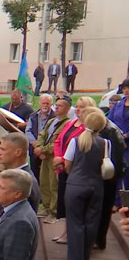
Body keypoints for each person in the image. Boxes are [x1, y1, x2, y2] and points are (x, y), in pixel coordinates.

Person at [59, 112, 107, 260]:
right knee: (91, 223)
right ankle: (84, 259)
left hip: (76, 184)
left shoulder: (75, 141)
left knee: (75, 223)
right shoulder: (105, 143)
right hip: (96, 185)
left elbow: (67, 165)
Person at [50, 100, 98, 241]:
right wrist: (58, 157)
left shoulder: (88, 129)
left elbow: (81, 150)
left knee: (73, 205)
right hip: (63, 167)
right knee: (65, 202)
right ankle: (65, 231)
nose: (77, 109)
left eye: (81, 107)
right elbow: (58, 140)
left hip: (74, 169)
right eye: (76, 106)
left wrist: (64, 161)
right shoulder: (70, 123)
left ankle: (71, 234)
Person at [34, 95, 71, 218]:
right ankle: (46, 206)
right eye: (56, 105)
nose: (56, 108)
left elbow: (57, 142)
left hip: (54, 157)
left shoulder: (67, 124)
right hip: (44, 157)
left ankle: (54, 210)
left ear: (67, 108)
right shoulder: (52, 121)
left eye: (60, 106)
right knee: (44, 182)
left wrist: (43, 150)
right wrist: (38, 147)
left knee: (53, 184)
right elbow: (42, 134)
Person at [97, 118, 127, 249]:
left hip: (110, 176)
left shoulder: (110, 132)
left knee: (104, 209)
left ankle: (100, 239)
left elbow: (116, 158)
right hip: (107, 176)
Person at [108, 78, 129, 207]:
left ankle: (126, 202)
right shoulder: (118, 105)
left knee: (127, 172)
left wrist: (127, 135)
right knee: (116, 171)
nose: (127, 91)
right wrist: (116, 134)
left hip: (128, 143)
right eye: (125, 88)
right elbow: (110, 120)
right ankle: (116, 202)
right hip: (117, 142)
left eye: (128, 88)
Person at [26, 94, 53, 181]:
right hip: (34, 151)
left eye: (47, 103)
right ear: (39, 104)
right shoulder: (33, 116)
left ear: (51, 104)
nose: (45, 105)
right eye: (43, 103)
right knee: (35, 175)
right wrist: (36, 144)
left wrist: (42, 149)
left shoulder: (55, 117)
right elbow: (28, 131)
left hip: (47, 152)